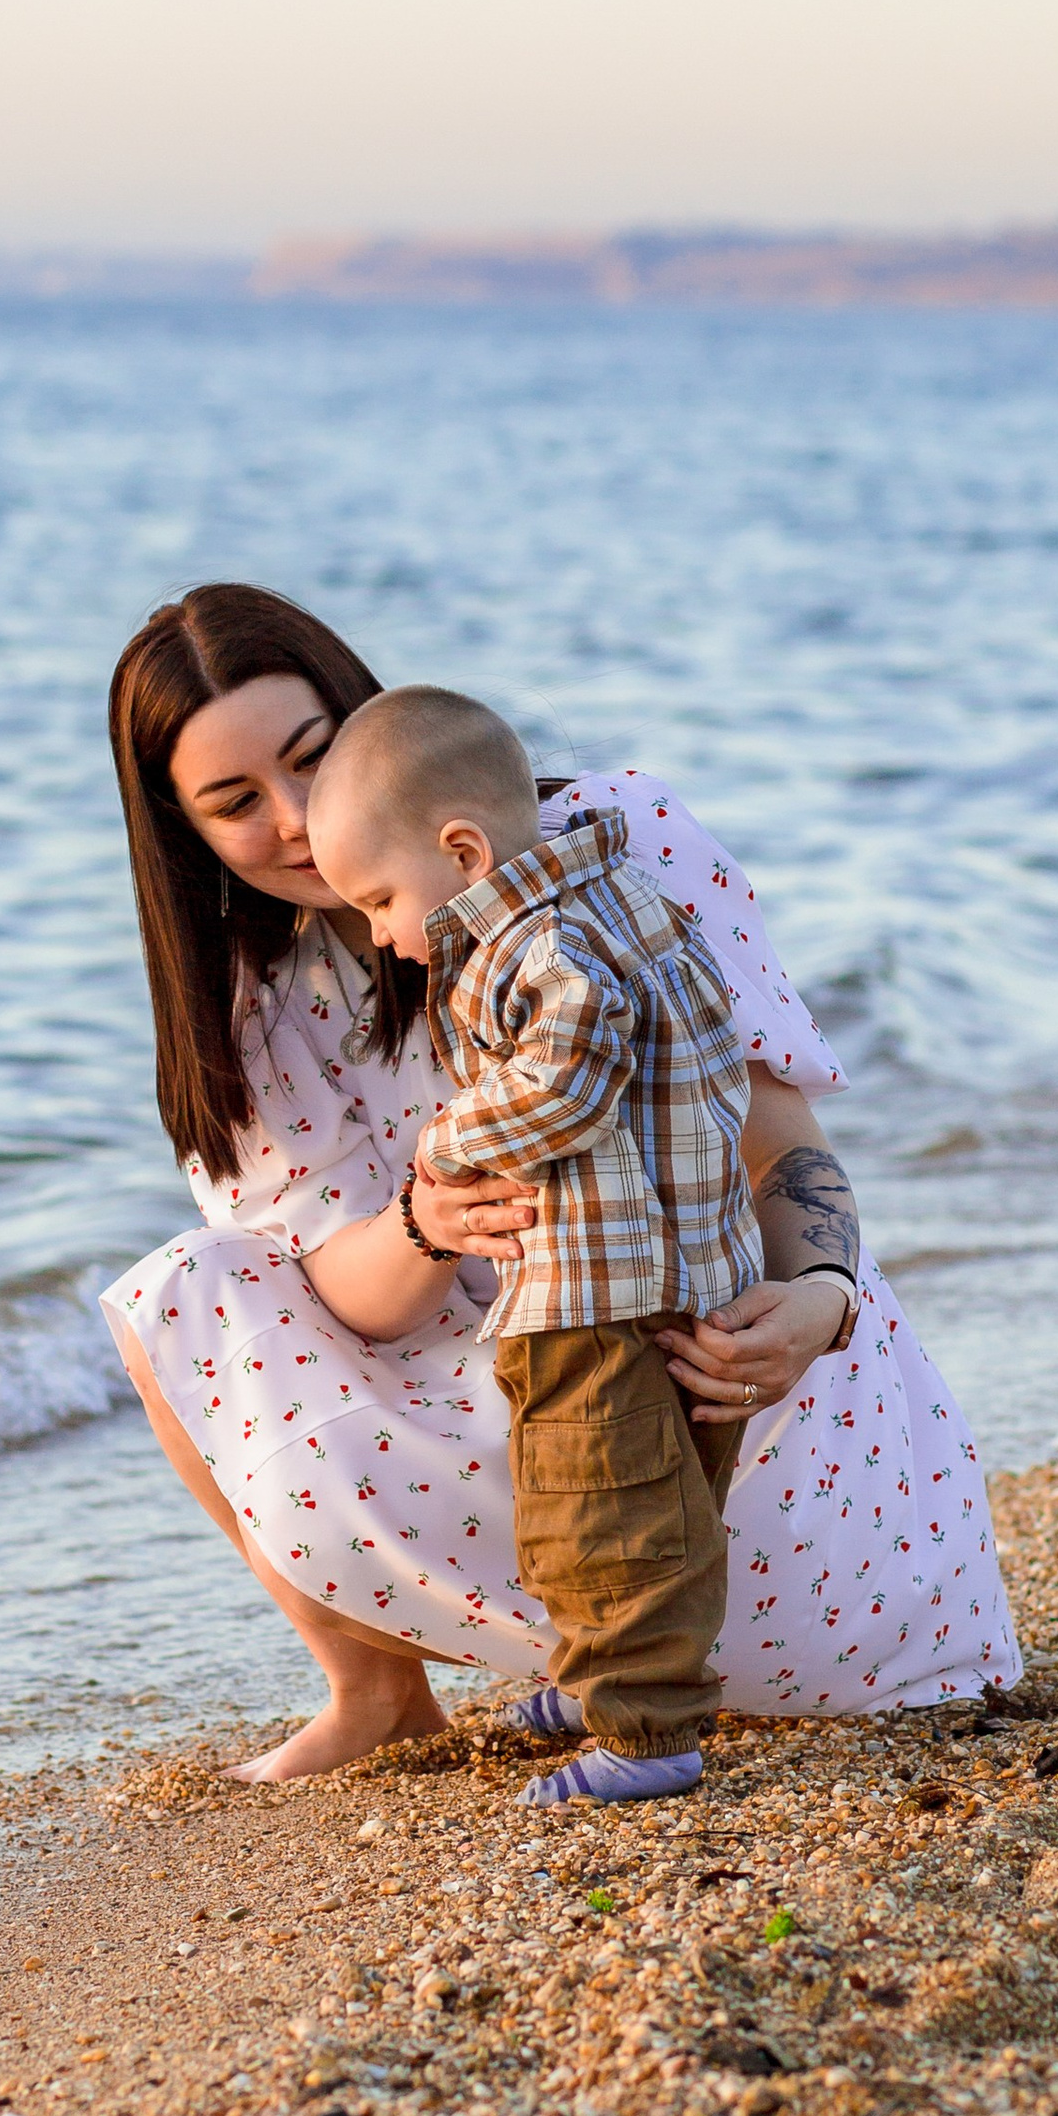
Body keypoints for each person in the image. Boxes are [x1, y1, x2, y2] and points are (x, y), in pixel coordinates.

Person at [102, 583, 1020, 1781]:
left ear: (374, 725)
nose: (290, 819)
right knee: (183, 1293)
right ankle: (390, 1694)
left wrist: (821, 1304)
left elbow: (777, 1139)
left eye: (312, 759)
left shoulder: (613, 833)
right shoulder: (248, 1003)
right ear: (186, 835)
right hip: (541, 1441)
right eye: (234, 803)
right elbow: (347, 1302)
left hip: (751, 1413)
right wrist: (426, 1220)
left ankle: (614, 1679)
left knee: (197, 1300)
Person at [305, 683, 761, 1810]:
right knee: (667, 1501)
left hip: (593, 1287)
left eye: (377, 900)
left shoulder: (530, 941)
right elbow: (710, 1047)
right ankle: (597, 1676)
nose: (377, 934)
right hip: (685, 1264)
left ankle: (645, 1733)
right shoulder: (625, 893)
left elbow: (570, 1068)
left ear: (460, 851)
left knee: (596, 1510)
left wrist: (448, 1140)